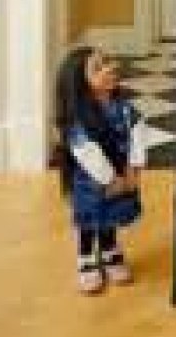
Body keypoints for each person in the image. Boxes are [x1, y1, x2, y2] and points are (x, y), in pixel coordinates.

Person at [55, 46, 151, 294]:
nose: (109, 68)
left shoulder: (124, 109)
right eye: (98, 68)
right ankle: (86, 257)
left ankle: (109, 250)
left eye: (107, 62)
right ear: (81, 83)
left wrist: (133, 168)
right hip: (92, 179)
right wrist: (109, 179)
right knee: (89, 218)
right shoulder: (79, 119)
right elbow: (85, 150)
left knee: (111, 216)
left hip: (121, 172)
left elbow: (138, 130)